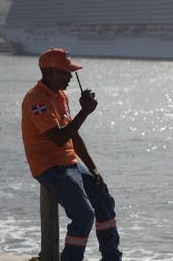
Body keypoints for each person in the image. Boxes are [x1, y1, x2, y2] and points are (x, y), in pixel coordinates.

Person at [21, 47, 122, 261]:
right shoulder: (35, 100)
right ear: (48, 74)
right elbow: (58, 139)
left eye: (70, 72)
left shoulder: (61, 96)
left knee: (104, 202)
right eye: (65, 72)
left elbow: (72, 136)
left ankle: (112, 258)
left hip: (70, 161)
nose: (70, 76)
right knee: (84, 216)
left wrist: (93, 169)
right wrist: (85, 111)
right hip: (50, 165)